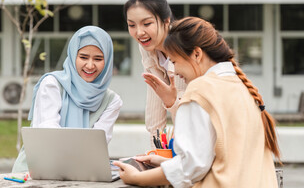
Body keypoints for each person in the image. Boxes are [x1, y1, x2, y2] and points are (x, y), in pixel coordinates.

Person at [114, 17, 280, 188]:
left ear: (196, 54)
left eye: (174, 61)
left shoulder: (201, 89)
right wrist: (165, 163)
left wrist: (137, 178)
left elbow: (191, 167)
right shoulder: (242, 87)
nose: (175, 70)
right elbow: (221, 161)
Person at [12, 26, 122, 172]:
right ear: (72, 55)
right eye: (83, 57)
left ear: (107, 61)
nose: (90, 65)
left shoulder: (112, 100)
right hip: (35, 171)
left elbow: (97, 145)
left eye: (98, 59)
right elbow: (48, 134)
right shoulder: (52, 84)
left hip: (81, 174)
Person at [124, 0, 186, 145]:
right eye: (132, 25)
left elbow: (189, 119)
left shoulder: (185, 47)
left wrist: (171, 101)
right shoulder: (147, 48)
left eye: (147, 23)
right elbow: (154, 117)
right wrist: (154, 155)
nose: (139, 33)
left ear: (166, 21)